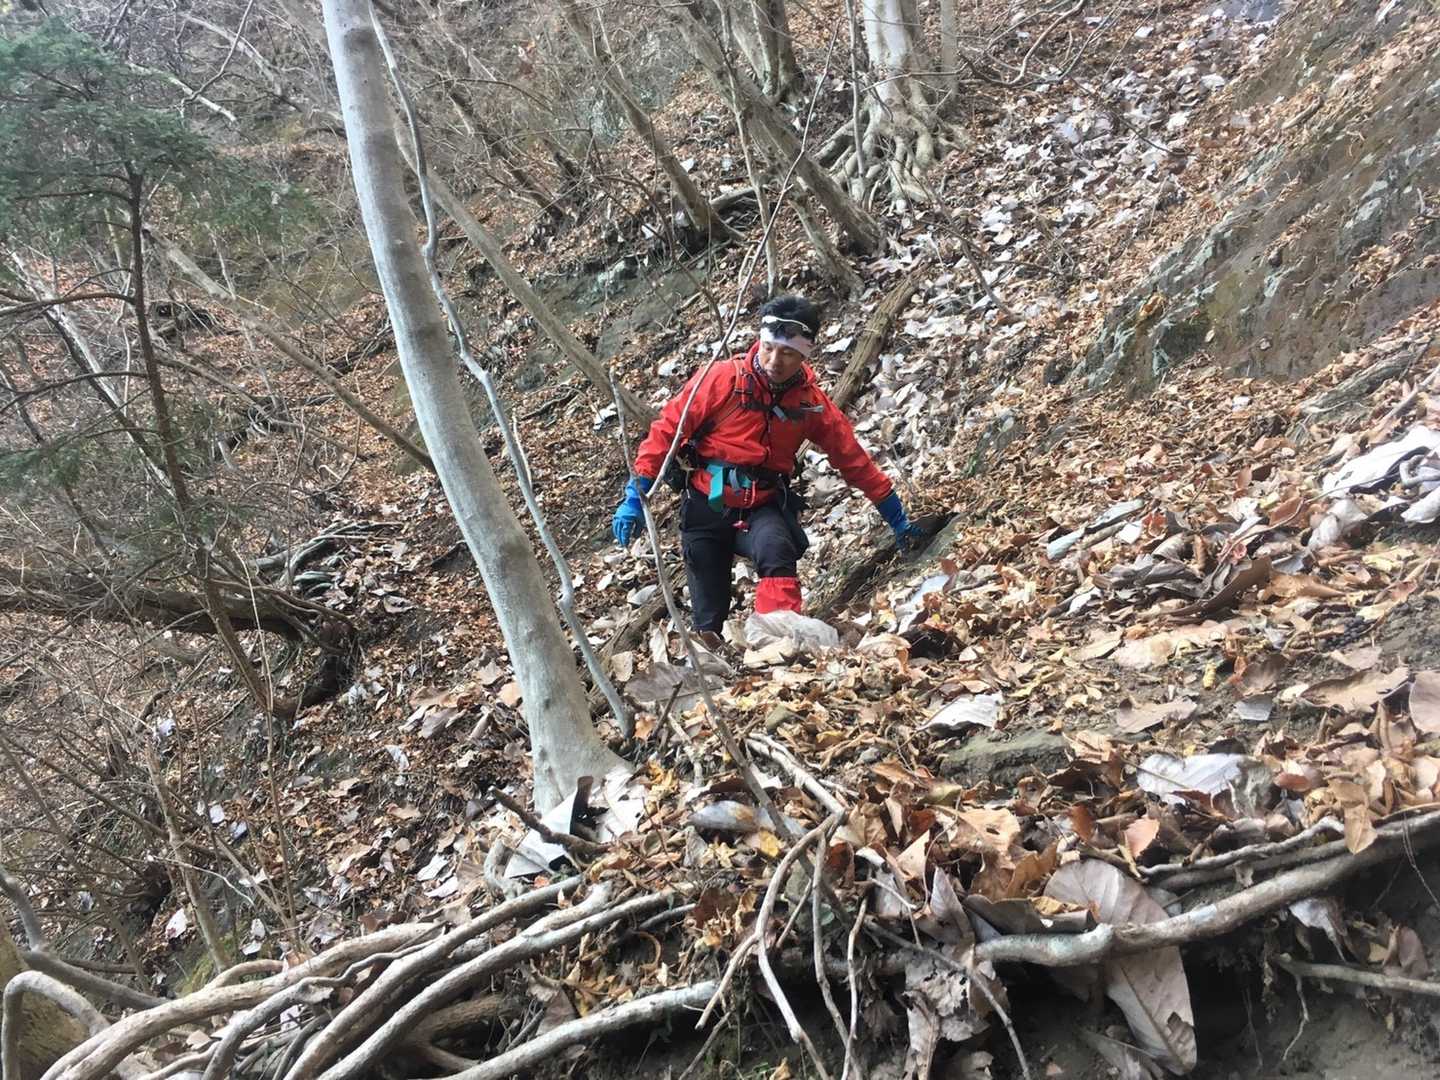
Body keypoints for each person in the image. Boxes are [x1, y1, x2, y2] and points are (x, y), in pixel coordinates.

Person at [612, 295, 924, 645]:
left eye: (788, 353)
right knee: (708, 611)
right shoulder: (722, 379)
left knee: (775, 549)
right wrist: (635, 497)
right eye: (769, 348)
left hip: (762, 504)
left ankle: (779, 647)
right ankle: (715, 657)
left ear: (804, 355)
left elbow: (852, 459)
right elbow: (666, 432)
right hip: (706, 502)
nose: (775, 361)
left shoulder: (809, 404)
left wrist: (896, 517)